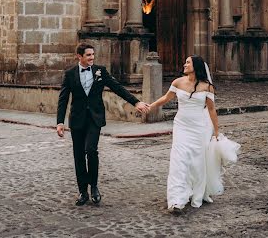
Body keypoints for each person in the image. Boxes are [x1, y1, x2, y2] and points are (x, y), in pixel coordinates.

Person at [56, 43, 149, 206]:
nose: (92, 57)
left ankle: (94, 186)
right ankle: (82, 191)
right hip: (77, 119)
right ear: (79, 56)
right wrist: (59, 122)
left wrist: (136, 102)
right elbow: (63, 99)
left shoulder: (100, 71)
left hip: (94, 118)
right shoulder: (70, 74)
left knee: (91, 150)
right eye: (88, 55)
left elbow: (117, 88)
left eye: (93, 54)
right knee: (78, 155)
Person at [148, 55, 239, 214]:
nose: (184, 64)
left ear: (196, 66)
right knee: (179, 161)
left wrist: (216, 132)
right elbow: (166, 98)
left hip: (199, 129)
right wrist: (151, 106)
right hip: (181, 127)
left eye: (188, 62)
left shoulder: (207, 87)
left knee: (197, 163)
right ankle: (177, 199)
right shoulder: (178, 82)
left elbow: (211, 110)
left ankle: (196, 191)